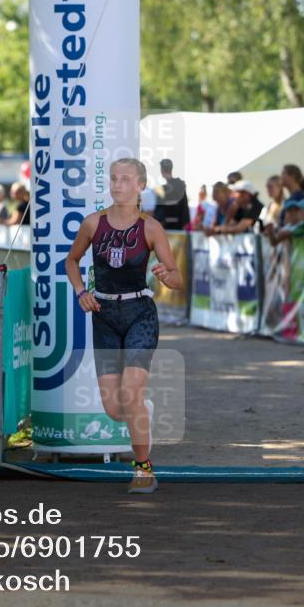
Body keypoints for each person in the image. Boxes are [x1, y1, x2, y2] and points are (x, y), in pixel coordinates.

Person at [65, 157, 184, 494]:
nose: (118, 185)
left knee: (130, 394)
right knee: (115, 409)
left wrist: (165, 275)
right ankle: (139, 411)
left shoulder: (150, 228)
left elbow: (177, 278)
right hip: (103, 314)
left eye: (126, 179)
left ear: (140, 185)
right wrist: (80, 292)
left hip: (139, 314)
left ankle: (143, 469)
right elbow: (71, 261)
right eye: (114, 179)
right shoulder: (92, 224)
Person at [153, 158, 190, 230]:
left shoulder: (162, 189)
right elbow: (185, 206)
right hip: (178, 227)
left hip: (166, 228)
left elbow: (159, 210)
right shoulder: (180, 185)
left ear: (162, 170)